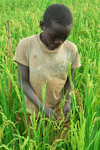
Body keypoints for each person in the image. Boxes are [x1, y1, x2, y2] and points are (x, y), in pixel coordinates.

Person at [13, 4, 81, 140]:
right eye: (54, 36)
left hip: (59, 113)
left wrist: (68, 103)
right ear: (42, 25)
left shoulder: (71, 50)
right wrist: (42, 107)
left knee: (58, 144)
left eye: (64, 37)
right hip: (33, 112)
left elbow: (70, 81)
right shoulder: (25, 46)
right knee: (35, 143)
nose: (59, 41)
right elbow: (22, 81)